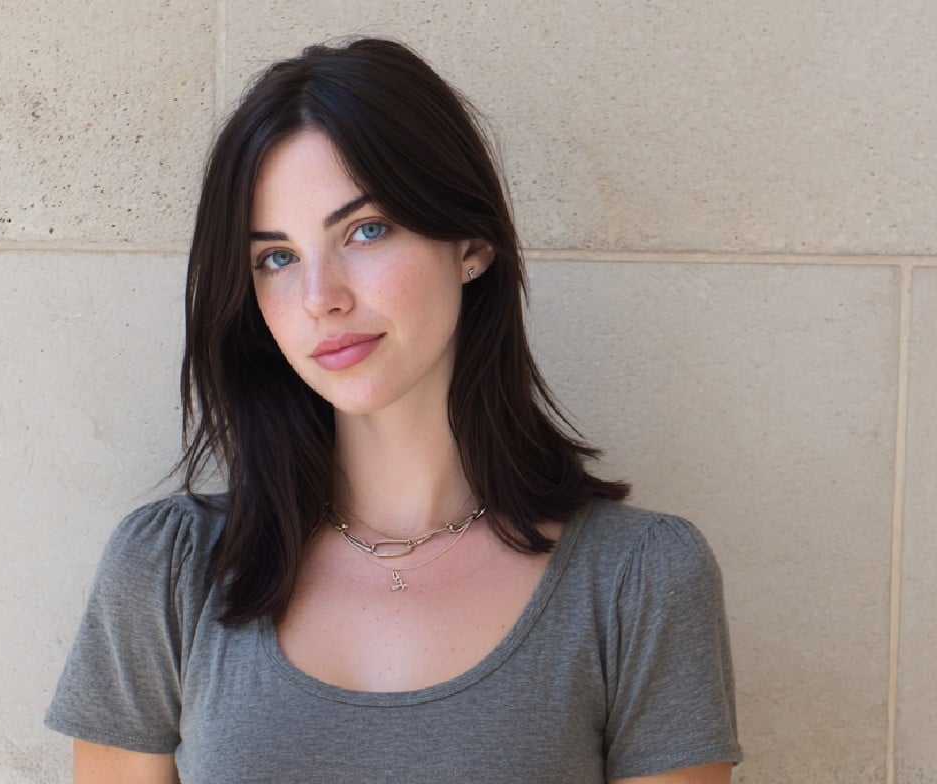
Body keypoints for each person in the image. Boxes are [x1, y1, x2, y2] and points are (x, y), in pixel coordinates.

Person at [45, 38, 742, 783]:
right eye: (276, 257)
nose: (321, 298)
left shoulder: (638, 578)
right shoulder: (167, 570)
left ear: (471, 244)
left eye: (366, 230)